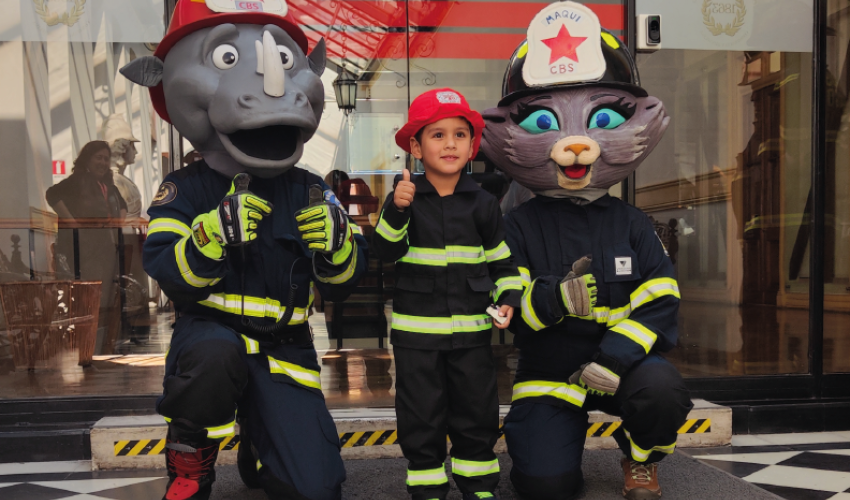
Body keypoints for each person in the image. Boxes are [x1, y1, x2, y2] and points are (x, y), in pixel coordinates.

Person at [121, 0, 365, 498]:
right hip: (212, 337)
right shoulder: (183, 188)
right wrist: (210, 237)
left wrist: (339, 246)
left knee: (317, 489)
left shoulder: (311, 188)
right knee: (214, 355)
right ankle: (192, 458)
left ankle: (261, 439)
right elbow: (169, 273)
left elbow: (343, 285)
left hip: (284, 350)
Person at [479, 3, 693, 499]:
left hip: (624, 370)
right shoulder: (514, 226)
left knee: (661, 391)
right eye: (544, 123)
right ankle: (549, 449)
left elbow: (661, 302)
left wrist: (615, 360)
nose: (576, 144)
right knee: (543, 486)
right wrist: (553, 300)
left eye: (599, 117)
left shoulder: (632, 222)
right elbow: (507, 309)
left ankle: (641, 456)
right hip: (548, 374)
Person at [373, 88, 584, 500]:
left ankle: (479, 485)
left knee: (476, 412)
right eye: (437, 135)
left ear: (472, 146)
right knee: (421, 415)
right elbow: (384, 251)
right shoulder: (404, 198)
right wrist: (397, 210)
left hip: (471, 335)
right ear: (415, 146)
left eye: (459, 134)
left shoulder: (485, 205)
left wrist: (508, 300)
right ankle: (428, 485)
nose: (449, 143)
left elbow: (503, 266)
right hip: (417, 341)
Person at [46, 140, 128, 352]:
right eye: (98, 157)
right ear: (87, 160)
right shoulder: (78, 180)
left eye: (106, 158)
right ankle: (87, 346)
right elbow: (52, 194)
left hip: (105, 248)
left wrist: (117, 227)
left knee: (103, 297)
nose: (103, 162)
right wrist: (73, 225)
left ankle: (98, 345)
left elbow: (123, 205)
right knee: (89, 298)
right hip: (84, 249)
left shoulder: (109, 185)